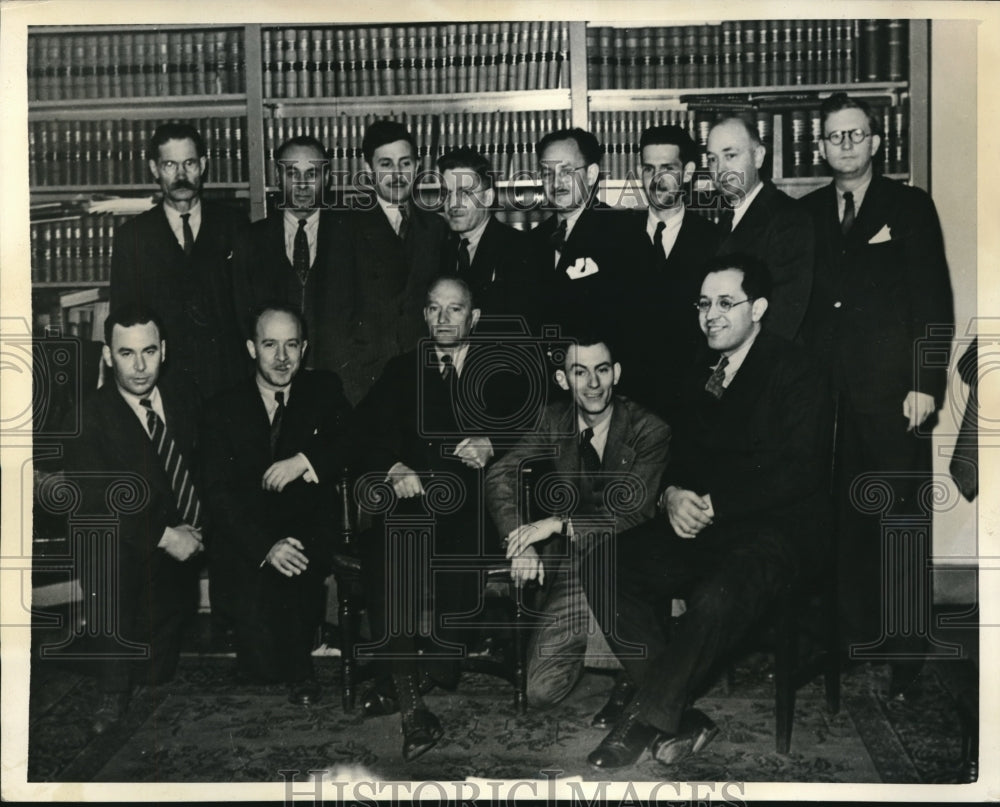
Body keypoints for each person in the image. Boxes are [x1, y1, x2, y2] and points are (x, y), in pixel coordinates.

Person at [583, 255, 831, 770]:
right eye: (703, 304)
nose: (710, 315)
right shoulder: (700, 367)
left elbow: (800, 470)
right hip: (701, 526)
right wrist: (671, 494)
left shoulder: (797, 368)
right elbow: (681, 456)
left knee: (716, 596)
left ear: (758, 308)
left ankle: (642, 719)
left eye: (724, 303)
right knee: (603, 565)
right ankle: (680, 712)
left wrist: (717, 504)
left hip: (773, 535)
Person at [801, 93, 954, 670]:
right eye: (834, 136)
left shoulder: (909, 207)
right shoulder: (809, 212)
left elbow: (934, 304)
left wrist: (927, 384)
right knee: (840, 522)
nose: (845, 145)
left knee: (900, 519)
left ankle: (907, 652)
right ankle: (848, 641)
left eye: (854, 135)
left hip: (895, 397)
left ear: (875, 141)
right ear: (820, 147)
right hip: (828, 399)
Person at [353, 276, 534, 761]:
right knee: (381, 551)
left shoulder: (501, 370)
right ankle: (413, 705)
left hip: (474, 509)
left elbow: (535, 420)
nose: (445, 319)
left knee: (459, 551)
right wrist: (393, 467)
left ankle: (427, 669)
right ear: (425, 316)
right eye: (435, 309)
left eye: (456, 310)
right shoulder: (403, 369)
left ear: (473, 318)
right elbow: (364, 431)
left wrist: (490, 442)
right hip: (412, 504)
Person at [485, 334, 669, 721]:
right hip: (576, 565)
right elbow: (500, 473)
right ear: (563, 380)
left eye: (602, 370)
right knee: (539, 692)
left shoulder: (649, 429)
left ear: (616, 373)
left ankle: (629, 674)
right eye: (579, 372)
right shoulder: (554, 420)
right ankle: (623, 656)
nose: (593, 384)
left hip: (629, 562)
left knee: (633, 646)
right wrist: (520, 540)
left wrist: (558, 524)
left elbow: (634, 514)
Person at [64, 304, 204, 734]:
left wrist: (201, 529)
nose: (140, 366)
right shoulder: (90, 416)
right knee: (99, 544)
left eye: (149, 352)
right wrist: (166, 536)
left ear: (164, 350)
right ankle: (111, 688)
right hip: (125, 544)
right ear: (108, 355)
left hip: (183, 539)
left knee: (158, 672)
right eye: (127, 354)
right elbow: (95, 502)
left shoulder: (185, 397)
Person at [201, 305, 352, 705]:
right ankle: (282, 647)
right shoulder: (222, 408)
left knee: (295, 567)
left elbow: (352, 437)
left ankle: (303, 668)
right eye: (270, 345)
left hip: (307, 529)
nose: (282, 358)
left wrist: (304, 460)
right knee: (261, 667)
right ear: (252, 348)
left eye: (291, 345)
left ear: (304, 348)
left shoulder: (324, 389)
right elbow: (218, 496)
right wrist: (266, 546)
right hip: (251, 538)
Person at [110, 122, 252, 400]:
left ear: (203, 165)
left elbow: (249, 308)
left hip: (228, 379)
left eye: (189, 163)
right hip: (165, 384)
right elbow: (122, 319)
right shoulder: (133, 236)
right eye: (170, 165)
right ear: (154, 169)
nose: (181, 175)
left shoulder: (234, 225)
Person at [334, 119, 449, 404]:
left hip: (424, 380)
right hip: (365, 383)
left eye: (405, 163)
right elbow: (333, 318)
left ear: (418, 166)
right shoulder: (344, 227)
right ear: (368, 169)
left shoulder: (435, 228)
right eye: (386, 164)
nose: (397, 174)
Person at [619, 125, 722, 418]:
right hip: (629, 406)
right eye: (649, 169)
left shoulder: (714, 241)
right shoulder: (616, 238)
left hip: (693, 404)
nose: (656, 179)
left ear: (687, 173)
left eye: (667, 168)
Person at [707, 116, 814, 343]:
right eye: (712, 159)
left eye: (730, 156)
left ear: (758, 157)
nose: (720, 170)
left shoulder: (789, 219)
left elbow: (783, 319)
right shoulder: (726, 221)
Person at [247, 135, 349, 372]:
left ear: (326, 178)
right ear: (278, 178)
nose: (302, 184)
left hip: (335, 384)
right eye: (292, 173)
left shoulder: (351, 237)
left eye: (312, 174)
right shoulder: (250, 241)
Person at [529, 127, 642, 337]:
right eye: (547, 173)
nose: (556, 182)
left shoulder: (623, 232)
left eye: (567, 172)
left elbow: (632, 320)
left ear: (591, 175)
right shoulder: (531, 241)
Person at [437, 147, 543, 331]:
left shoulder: (520, 249)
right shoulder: (438, 250)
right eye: (447, 193)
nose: (453, 203)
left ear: (487, 197)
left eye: (465, 193)